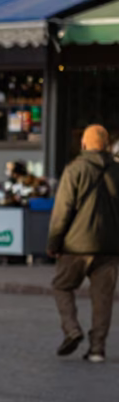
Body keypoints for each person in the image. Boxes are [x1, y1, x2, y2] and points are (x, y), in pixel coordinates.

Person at [47, 124, 119, 363]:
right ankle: (97, 349)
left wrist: (54, 243)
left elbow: (62, 211)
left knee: (62, 286)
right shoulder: (117, 171)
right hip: (109, 247)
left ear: (84, 144)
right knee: (103, 298)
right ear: (107, 145)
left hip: (76, 247)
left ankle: (72, 329)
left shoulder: (74, 170)